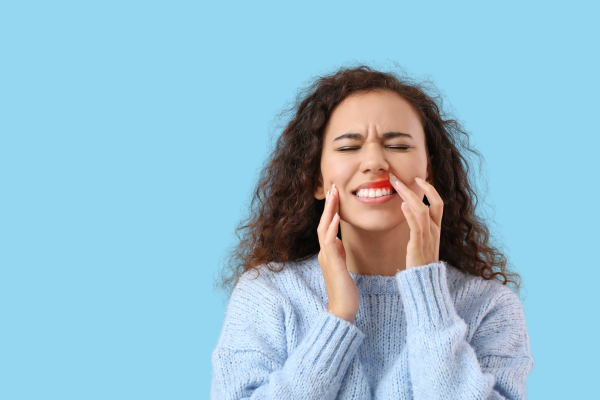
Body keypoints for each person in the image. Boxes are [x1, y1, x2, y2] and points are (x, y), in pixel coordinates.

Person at [211, 65, 534, 399]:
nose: (375, 162)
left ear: (430, 171)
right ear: (316, 179)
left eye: (398, 146)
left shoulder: (489, 307)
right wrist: (337, 317)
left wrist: (428, 293)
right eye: (349, 147)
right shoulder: (267, 296)